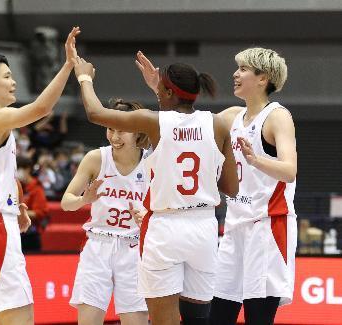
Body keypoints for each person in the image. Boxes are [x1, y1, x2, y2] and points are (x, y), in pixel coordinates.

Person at [73, 54, 238, 325]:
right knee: (197, 319)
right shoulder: (218, 124)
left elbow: (95, 113)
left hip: (165, 228)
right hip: (204, 227)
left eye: (161, 88)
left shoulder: (154, 121)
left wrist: (84, 77)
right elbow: (231, 187)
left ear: (169, 92)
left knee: (164, 321)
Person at [0, 26, 80, 324]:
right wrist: (68, 65)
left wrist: (18, 205)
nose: (14, 82)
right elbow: (42, 107)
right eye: (6, 76)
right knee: (18, 319)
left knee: (17, 317)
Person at [209, 48, 297, 325]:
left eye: (244, 69)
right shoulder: (233, 115)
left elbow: (289, 170)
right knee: (218, 314)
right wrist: (162, 90)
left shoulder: (277, 116)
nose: (235, 74)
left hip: (267, 227)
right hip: (235, 227)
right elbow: (188, 125)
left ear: (263, 78)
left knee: (258, 317)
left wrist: (254, 159)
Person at [61, 98, 150, 325]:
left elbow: (166, 207)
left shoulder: (152, 162)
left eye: (122, 131)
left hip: (135, 248)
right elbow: (66, 202)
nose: (115, 137)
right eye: (111, 129)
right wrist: (84, 199)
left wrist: (149, 218)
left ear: (137, 132)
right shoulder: (95, 158)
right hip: (98, 246)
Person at [16, 155, 49, 251]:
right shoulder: (14, 186)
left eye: (19, 169)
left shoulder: (36, 188)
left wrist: (16, 211)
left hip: (29, 235)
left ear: (28, 169)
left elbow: (40, 212)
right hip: (14, 233)